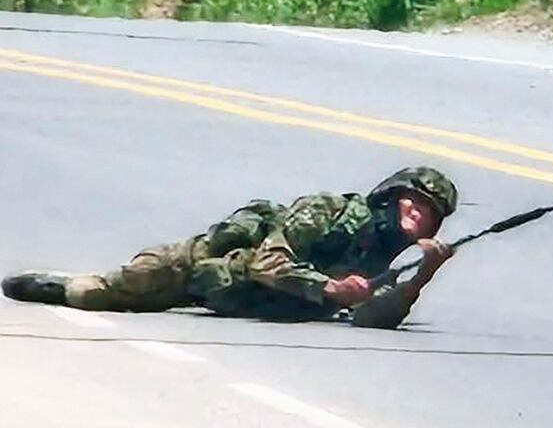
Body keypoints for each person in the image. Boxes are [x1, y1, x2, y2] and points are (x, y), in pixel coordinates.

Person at [1, 166, 457, 329]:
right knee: (114, 290)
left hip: (254, 301)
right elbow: (267, 262)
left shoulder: (386, 257)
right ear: (391, 196)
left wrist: (422, 276)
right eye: (414, 202)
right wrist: (330, 289)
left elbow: (371, 318)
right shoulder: (328, 211)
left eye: (430, 213)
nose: (420, 214)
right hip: (219, 270)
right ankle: (59, 286)